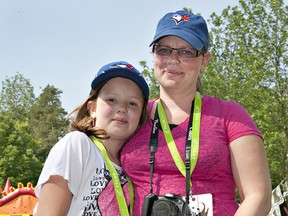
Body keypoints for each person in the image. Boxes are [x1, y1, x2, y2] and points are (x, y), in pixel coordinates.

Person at [121, 10, 272, 216]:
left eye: (186, 52)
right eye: (163, 50)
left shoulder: (230, 115)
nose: (173, 59)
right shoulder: (132, 115)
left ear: (204, 60)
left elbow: (258, 196)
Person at [33, 61, 149, 216]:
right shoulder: (77, 145)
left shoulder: (133, 166)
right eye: (111, 100)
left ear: (141, 115)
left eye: (132, 103)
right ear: (93, 108)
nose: (122, 108)